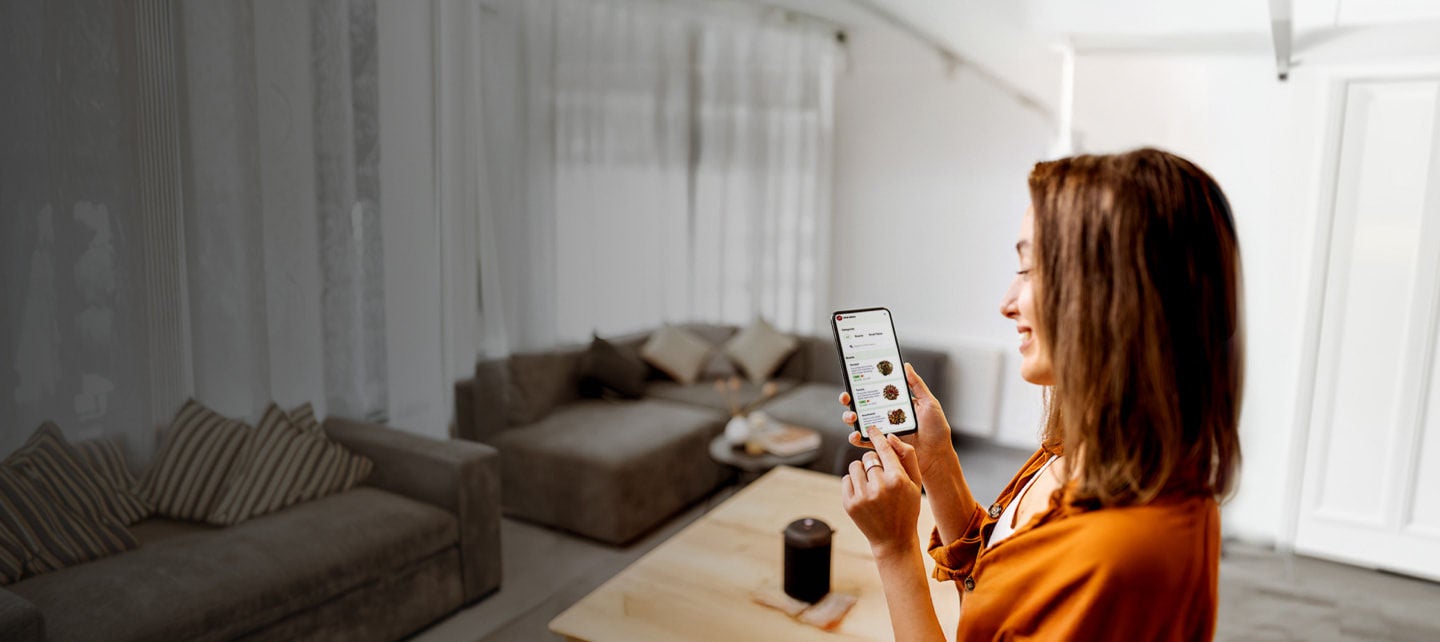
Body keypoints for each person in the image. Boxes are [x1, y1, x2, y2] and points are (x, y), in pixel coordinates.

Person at [838, 148, 1243, 641]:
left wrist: (894, 549)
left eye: (1029, 270)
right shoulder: (1083, 452)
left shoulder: (1114, 555)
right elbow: (997, 584)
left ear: (1113, 295)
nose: (1006, 303)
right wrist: (938, 459)